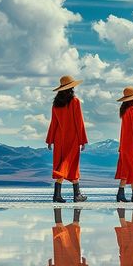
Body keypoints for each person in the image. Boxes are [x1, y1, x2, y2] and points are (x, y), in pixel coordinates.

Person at [46, 75, 88, 203]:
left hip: (59, 138)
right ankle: (72, 195)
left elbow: (54, 123)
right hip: (72, 138)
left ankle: (64, 194)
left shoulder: (56, 104)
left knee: (63, 164)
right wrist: (82, 140)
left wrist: (50, 139)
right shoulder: (75, 101)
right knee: (70, 164)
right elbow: (79, 122)